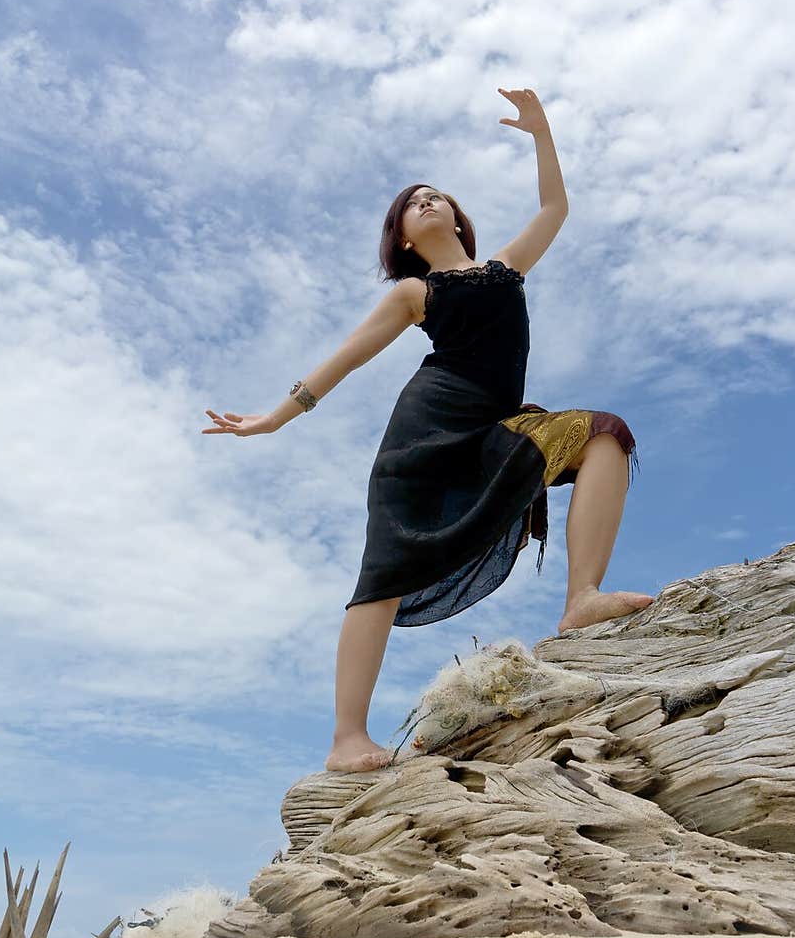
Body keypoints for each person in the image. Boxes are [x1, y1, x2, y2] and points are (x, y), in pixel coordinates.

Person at [203, 88, 655, 774]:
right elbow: (347, 357)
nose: (428, 200)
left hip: (495, 427)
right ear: (405, 239)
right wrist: (274, 416)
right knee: (383, 575)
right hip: (422, 440)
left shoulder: (505, 269)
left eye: (436, 195)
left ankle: (582, 599)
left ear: (458, 220)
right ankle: (346, 739)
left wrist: (541, 133)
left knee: (604, 435)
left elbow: (556, 208)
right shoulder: (415, 294)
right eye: (414, 202)